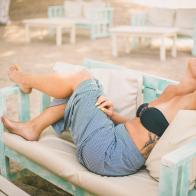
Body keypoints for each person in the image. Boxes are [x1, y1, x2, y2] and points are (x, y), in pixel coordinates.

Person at [1, 59, 196, 177]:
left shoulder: (190, 101)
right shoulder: (174, 91)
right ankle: (33, 127)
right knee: (80, 89)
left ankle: (24, 79)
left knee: (82, 78)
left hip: (109, 154)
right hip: (110, 141)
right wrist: (114, 115)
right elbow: (138, 127)